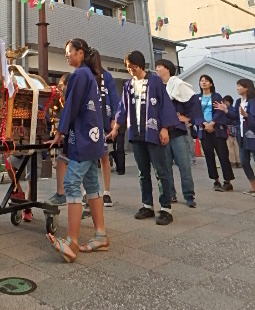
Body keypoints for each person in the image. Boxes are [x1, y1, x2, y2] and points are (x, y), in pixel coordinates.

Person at [47, 38, 108, 262]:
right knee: (91, 183)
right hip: (91, 137)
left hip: (83, 138)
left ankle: (72, 242)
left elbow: (71, 105)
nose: (67, 55)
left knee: (71, 182)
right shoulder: (88, 75)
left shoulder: (80, 75)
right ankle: (100, 234)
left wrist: (59, 132)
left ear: (80, 53)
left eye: (69, 52)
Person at [107, 50, 179, 225]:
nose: (130, 69)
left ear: (140, 64)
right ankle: (147, 205)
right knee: (142, 173)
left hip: (153, 132)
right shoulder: (128, 85)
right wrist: (115, 129)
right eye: (128, 67)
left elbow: (165, 106)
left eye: (132, 66)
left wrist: (164, 129)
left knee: (161, 171)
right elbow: (122, 109)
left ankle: (165, 208)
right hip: (136, 133)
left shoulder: (155, 81)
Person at [155, 59, 203, 208]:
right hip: (163, 133)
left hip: (178, 132)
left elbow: (193, 103)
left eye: (159, 66)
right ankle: (171, 194)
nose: (156, 69)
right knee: (166, 167)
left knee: (184, 166)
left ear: (168, 68)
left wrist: (187, 118)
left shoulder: (178, 84)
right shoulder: (156, 87)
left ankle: (189, 195)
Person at [216, 79, 255, 194]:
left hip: (253, 136)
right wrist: (226, 110)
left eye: (239, 86)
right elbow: (235, 116)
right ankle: (253, 186)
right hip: (242, 136)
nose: (237, 88)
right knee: (244, 162)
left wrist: (247, 115)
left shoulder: (253, 101)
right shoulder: (238, 101)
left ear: (247, 88)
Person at [92, 49, 119, 207]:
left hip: (103, 118)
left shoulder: (106, 76)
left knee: (104, 156)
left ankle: (106, 192)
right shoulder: (84, 74)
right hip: (89, 120)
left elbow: (114, 98)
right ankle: (89, 191)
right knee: (90, 158)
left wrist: (114, 119)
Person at [198, 74, 234, 192]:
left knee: (223, 155)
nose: (204, 83)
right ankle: (215, 180)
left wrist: (212, 123)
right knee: (208, 156)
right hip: (204, 130)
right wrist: (204, 124)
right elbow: (195, 113)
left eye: (206, 81)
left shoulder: (216, 96)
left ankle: (227, 181)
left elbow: (220, 111)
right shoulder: (197, 97)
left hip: (217, 129)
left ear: (211, 84)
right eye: (202, 81)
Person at [47, 73, 70, 206]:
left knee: (63, 161)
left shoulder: (70, 99)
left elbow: (66, 119)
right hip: (82, 140)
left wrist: (59, 135)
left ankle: (62, 194)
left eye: (61, 85)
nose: (59, 89)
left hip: (76, 140)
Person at [223, 96, 241, 168]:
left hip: (228, 129)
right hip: (236, 129)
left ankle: (232, 161)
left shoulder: (226, 111)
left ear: (228, 101)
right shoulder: (234, 109)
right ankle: (238, 161)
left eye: (225, 101)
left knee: (229, 146)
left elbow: (226, 120)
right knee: (236, 146)